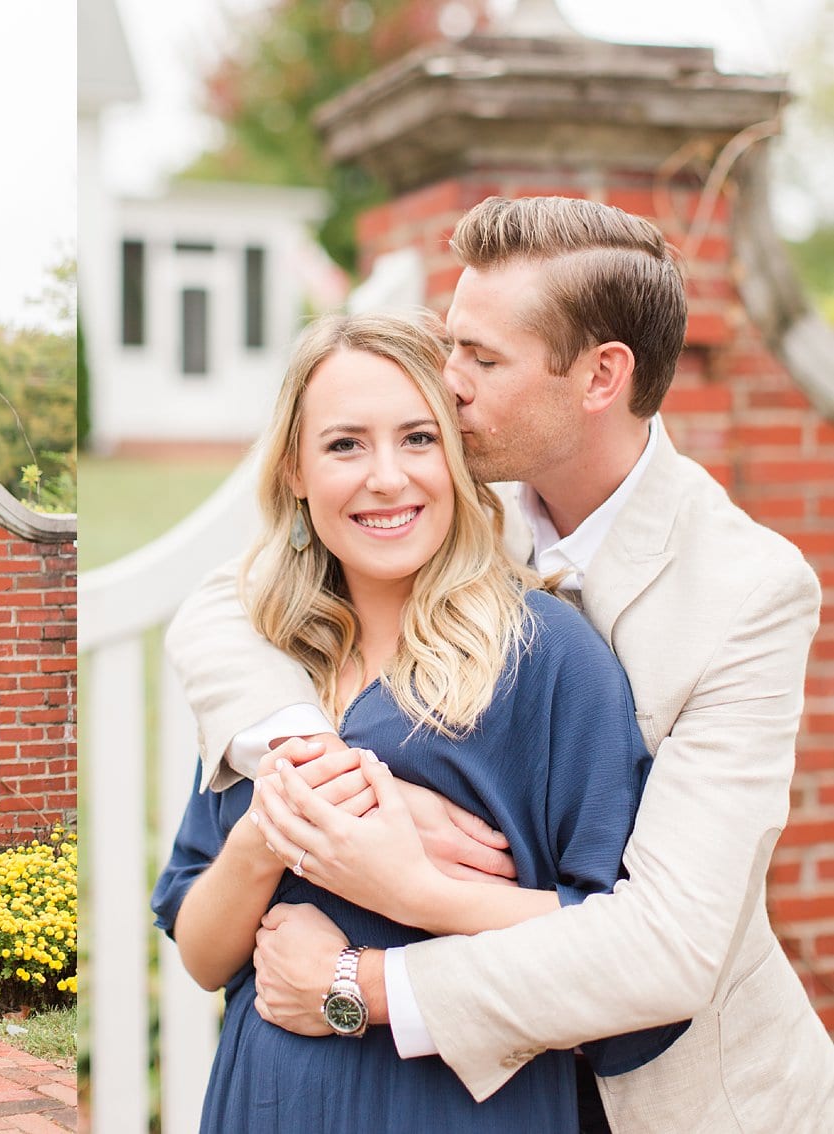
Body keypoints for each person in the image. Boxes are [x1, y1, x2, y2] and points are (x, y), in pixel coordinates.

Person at [166, 196, 834, 1131]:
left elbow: (667, 947)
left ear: (600, 376)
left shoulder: (747, 590)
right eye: (450, 346)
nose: (448, 381)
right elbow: (226, 603)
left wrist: (376, 939)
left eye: (480, 359)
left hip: (669, 1099)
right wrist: (326, 774)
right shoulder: (459, 509)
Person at [152, 311, 675, 1131]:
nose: (387, 477)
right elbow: (201, 952)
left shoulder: (546, 656)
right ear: (294, 468)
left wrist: (379, 948)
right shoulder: (271, 668)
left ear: (459, 460)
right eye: (344, 445)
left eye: (419, 439)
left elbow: (623, 963)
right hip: (265, 1101)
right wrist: (270, 828)